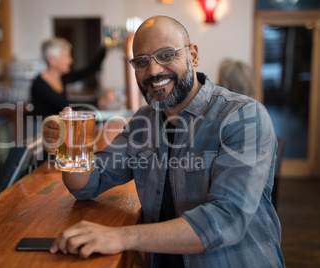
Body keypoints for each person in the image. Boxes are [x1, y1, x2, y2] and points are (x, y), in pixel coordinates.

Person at [42, 16, 285, 267]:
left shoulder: (243, 116)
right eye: (142, 61)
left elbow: (225, 221)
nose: (154, 70)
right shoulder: (142, 123)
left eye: (166, 55)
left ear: (193, 56)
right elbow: (88, 184)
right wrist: (69, 144)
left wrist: (121, 236)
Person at [30, 37, 106, 119]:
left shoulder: (62, 78)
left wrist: (106, 47)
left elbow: (89, 71)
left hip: (58, 128)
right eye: (66, 56)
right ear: (51, 60)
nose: (70, 60)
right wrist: (97, 101)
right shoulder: (39, 84)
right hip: (41, 130)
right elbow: (65, 105)